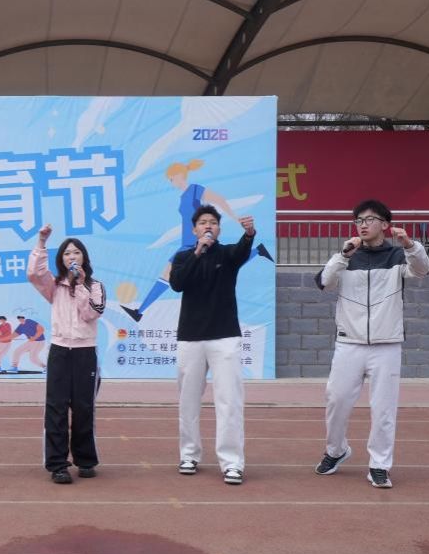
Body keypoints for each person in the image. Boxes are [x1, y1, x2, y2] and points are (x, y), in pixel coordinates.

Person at [313, 199, 429, 490]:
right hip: (349, 343)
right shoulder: (346, 257)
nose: (362, 225)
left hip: (386, 344)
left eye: (369, 219)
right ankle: (336, 450)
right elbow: (324, 282)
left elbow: (422, 270)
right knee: (336, 399)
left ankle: (379, 464)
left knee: (383, 409)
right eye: (358, 220)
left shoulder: (397, 256)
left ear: (385, 224)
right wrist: (343, 255)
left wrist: (410, 246)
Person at [170, 204, 257, 485]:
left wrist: (249, 234)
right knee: (188, 401)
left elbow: (242, 250)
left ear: (219, 229)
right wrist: (197, 252)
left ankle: (232, 463)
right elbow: (177, 283)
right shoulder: (183, 257)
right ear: (194, 229)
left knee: (229, 400)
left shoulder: (228, 254)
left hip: (225, 336)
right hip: (190, 337)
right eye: (203, 222)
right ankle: (189, 455)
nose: (208, 226)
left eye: (213, 222)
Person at [122, 159, 271, 323]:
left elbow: (219, 199)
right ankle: (258, 251)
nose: (171, 182)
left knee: (171, 274)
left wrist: (235, 218)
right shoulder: (183, 195)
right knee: (170, 275)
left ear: (179, 175)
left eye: (171, 178)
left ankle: (140, 311)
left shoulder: (194, 190)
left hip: (196, 242)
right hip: (187, 242)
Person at [27, 223, 106, 484]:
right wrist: (41, 242)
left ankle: (85, 460)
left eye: (76, 252)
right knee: (56, 408)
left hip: (85, 352)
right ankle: (58, 465)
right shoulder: (54, 285)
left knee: (83, 408)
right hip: (60, 351)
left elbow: (91, 313)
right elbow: (34, 273)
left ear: (84, 258)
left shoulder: (96, 286)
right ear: (61, 260)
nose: (72, 256)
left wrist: (80, 285)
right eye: (67, 253)